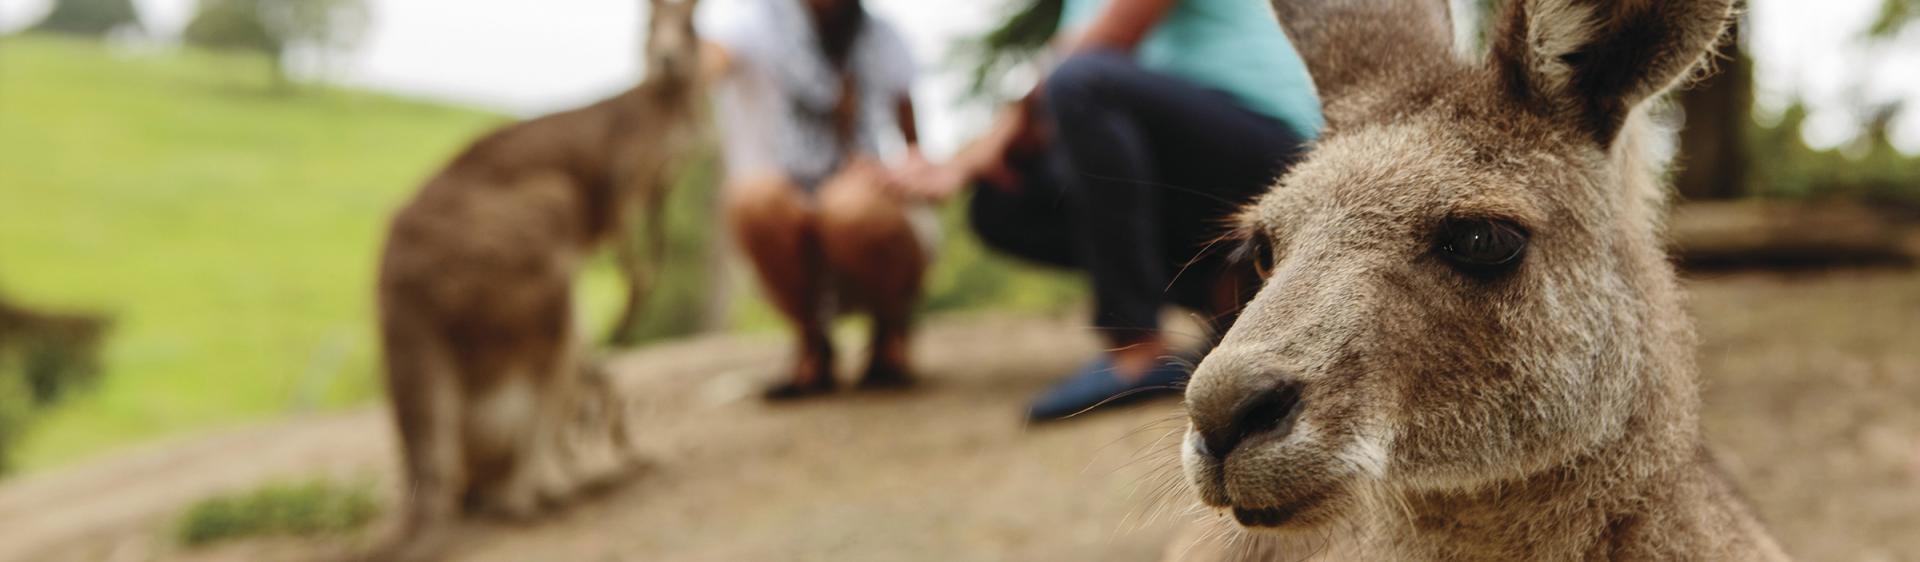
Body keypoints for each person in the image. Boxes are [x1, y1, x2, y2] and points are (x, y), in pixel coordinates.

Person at [902, 0, 1324, 421]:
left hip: (1267, 145)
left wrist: (982, 148)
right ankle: (1223, 291)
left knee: (1082, 82)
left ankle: (1137, 347)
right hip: (1176, 154)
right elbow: (1052, 105)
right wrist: (967, 159)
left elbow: (1100, 46)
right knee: (1002, 200)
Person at [700, 0, 932, 399]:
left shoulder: (880, 36)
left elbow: (912, 138)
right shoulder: (754, 24)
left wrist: (915, 181)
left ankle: (889, 332)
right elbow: (709, 61)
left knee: (848, 210)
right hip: (788, 196)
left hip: (861, 195)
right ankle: (812, 343)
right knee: (754, 197)